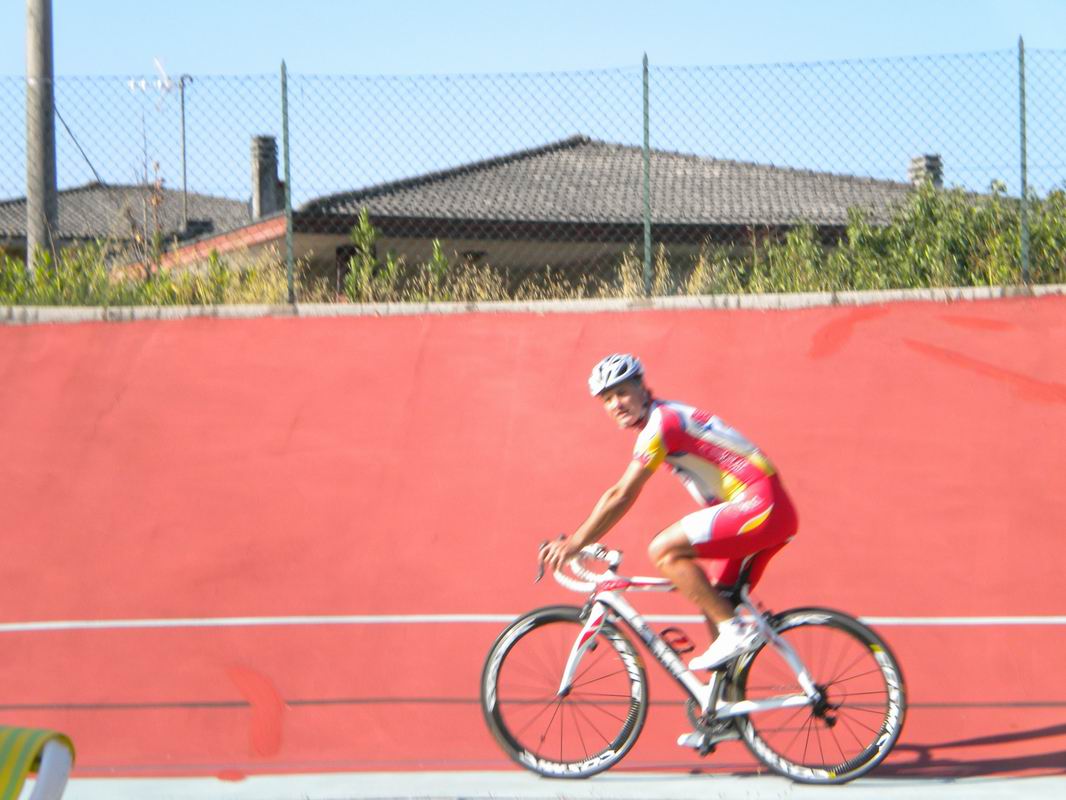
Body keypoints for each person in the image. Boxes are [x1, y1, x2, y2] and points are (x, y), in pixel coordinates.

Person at [540, 353, 798, 671]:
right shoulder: (664, 416)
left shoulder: (661, 425)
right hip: (766, 508)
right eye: (607, 399)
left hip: (759, 505)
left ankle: (735, 631)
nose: (616, 404)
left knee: (664, 550)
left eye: (622, 392)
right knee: (713, 601)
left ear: (642, 388)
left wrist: (575, 542)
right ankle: (726, 699)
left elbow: (622, 494)